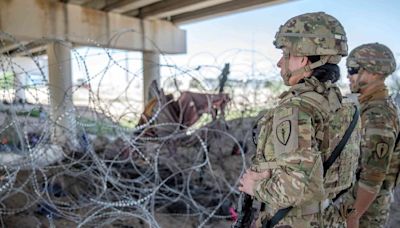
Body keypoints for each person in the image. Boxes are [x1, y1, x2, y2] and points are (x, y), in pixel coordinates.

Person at [238, 12, 361, 227]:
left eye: (285, 54)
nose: (279, 63)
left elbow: (299, 188)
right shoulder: (345, 107)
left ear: (303, 59)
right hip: (330, 218)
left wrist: (253, 186)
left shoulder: (296, 110)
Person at [345, 43, 399, 228]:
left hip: (365, 212)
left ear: (374, 73)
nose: (348, 76)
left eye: (353, 69)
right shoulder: (368, 106)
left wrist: (354, 215)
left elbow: (373, 176)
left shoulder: (378, 114)